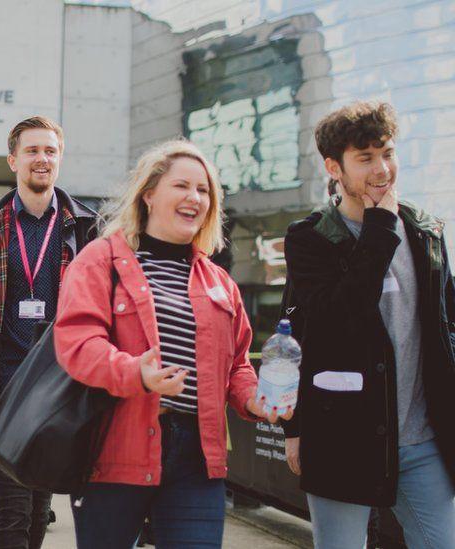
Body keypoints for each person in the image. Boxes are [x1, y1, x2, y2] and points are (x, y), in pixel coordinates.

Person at [53, 139, 288, 548]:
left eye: (204, 190)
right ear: (148, 194)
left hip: (197, 458)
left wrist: (254, 400)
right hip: (116, 451)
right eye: (182, 186)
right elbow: (77, 342)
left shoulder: (219, 282)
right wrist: (134, 372)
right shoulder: (101, 259)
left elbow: (237, 366)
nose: (194, 198)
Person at [282, 100, 455, 548]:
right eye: (365, 158)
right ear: (333, 167)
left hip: (422, 440)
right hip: (342, 439)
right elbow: (334, 321)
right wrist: (294, 428)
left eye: (388, 153)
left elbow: (447, 326)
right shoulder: (309, 239)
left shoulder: (426, 231)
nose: (382, 169)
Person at [0, 115, 98, 549]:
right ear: (13, 160)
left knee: (38, 513)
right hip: (3, 385)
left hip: (61, 387)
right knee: (13, 510)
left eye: (50, 151)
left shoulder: (89, 232)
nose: (41, 159)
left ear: (60, 159)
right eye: (32, 150)